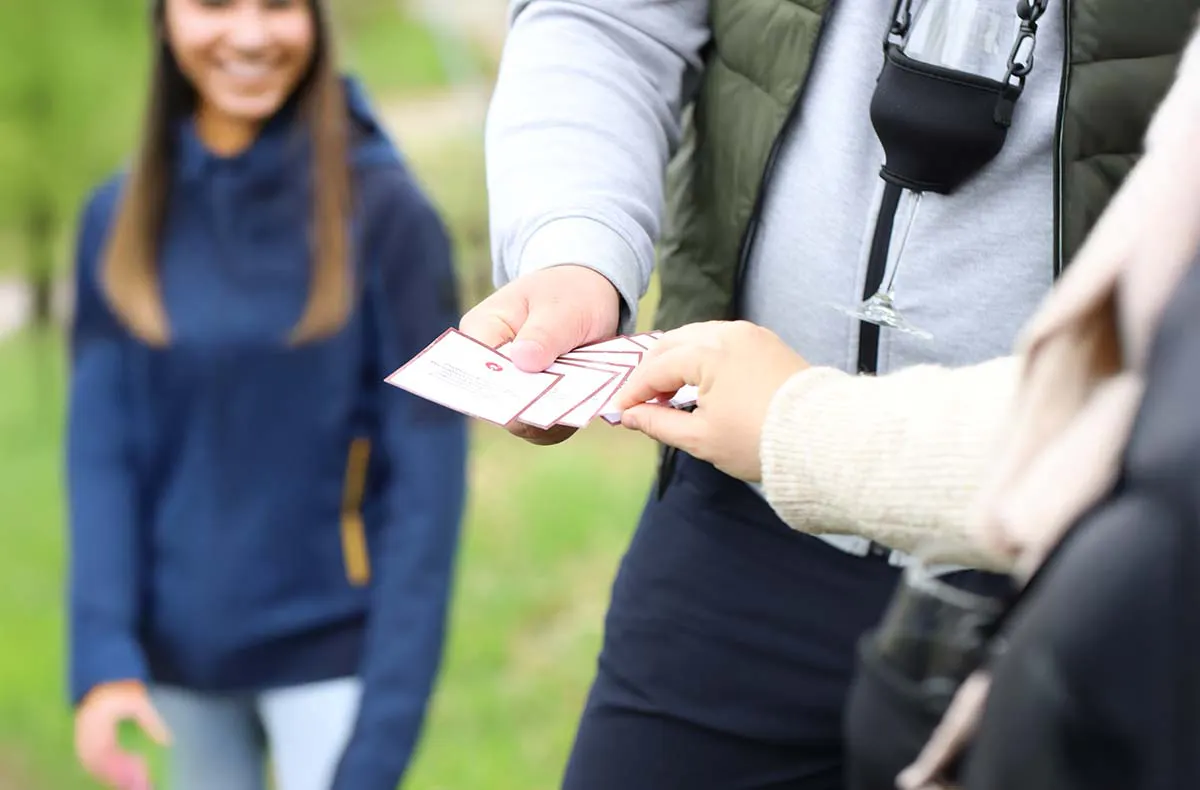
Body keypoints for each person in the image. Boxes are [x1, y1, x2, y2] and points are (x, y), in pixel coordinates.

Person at [466, 0, 1200, 787]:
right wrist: (575, 247)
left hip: (1068, 574)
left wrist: (801, 430)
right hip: (735, 531)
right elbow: (609, 19)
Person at [66, 2, 467, 790]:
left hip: (333, 662)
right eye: (215, 3)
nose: (250, 34)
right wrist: (104, 656)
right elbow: (101, 455)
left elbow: (427, 493)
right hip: (181, 672)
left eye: (279, 3)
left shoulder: (387, 216)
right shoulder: (115, 220)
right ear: (163, 19)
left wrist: (381, 735)